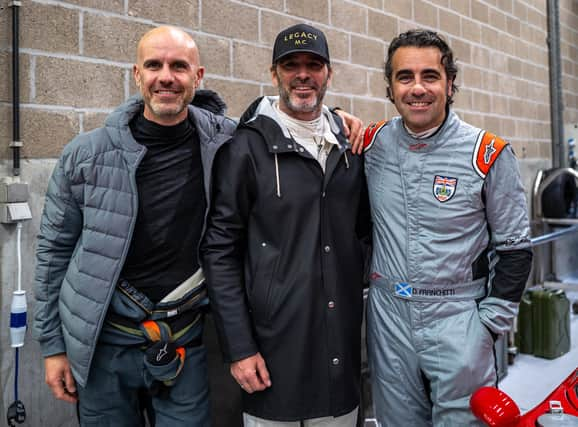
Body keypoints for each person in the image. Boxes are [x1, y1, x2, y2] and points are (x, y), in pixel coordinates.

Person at [33, 25, 363, 427]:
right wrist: (53, 348)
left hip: (183, 338)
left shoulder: (223, 141)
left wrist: (338, 118)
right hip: (106, 341)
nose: (166, 77)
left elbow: (280, 120)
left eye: (179, 66)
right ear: (137, 74)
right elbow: (53, 254)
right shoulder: (86, 155)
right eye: (154, 65)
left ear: (198, 76)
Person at [201, 23, 371, 427]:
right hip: (272, 356)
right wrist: (239, 348)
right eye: (290, 64)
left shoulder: (351, 148)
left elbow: (363, 232)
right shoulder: (245, 149)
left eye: (314, 64)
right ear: (274, 72)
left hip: (339, 353)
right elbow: (219, 251)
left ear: (329, 73)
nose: (302, 74)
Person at [362, 29, 533, 426]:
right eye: (405, 77)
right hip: (389, 319)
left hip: (459, 318)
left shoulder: (487, 153)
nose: (417, 88)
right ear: (390, 86)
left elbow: (516, 249)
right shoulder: (371, 143)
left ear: (450, 83)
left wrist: (487, 327)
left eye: (430, 76)